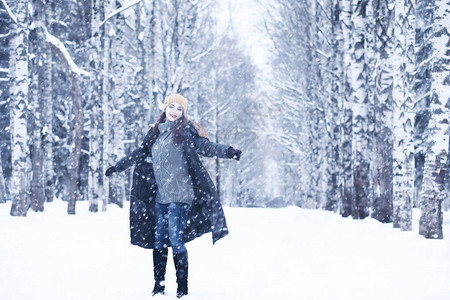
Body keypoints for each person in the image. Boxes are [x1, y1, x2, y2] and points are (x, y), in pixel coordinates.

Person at [105, 94, 241, 298]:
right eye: (172, 107)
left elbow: (207, 147)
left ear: (183, 112)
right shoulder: (155, 134)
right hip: (161, 197)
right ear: (165, 108)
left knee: (175, 240)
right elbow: (139, 154)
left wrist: (228, 151)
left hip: (181, 195)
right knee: (159, 240)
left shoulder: (186, 132)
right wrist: (117, 167)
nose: (175, 111)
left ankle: (182, 288)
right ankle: (158, 286)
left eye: (179, 108)